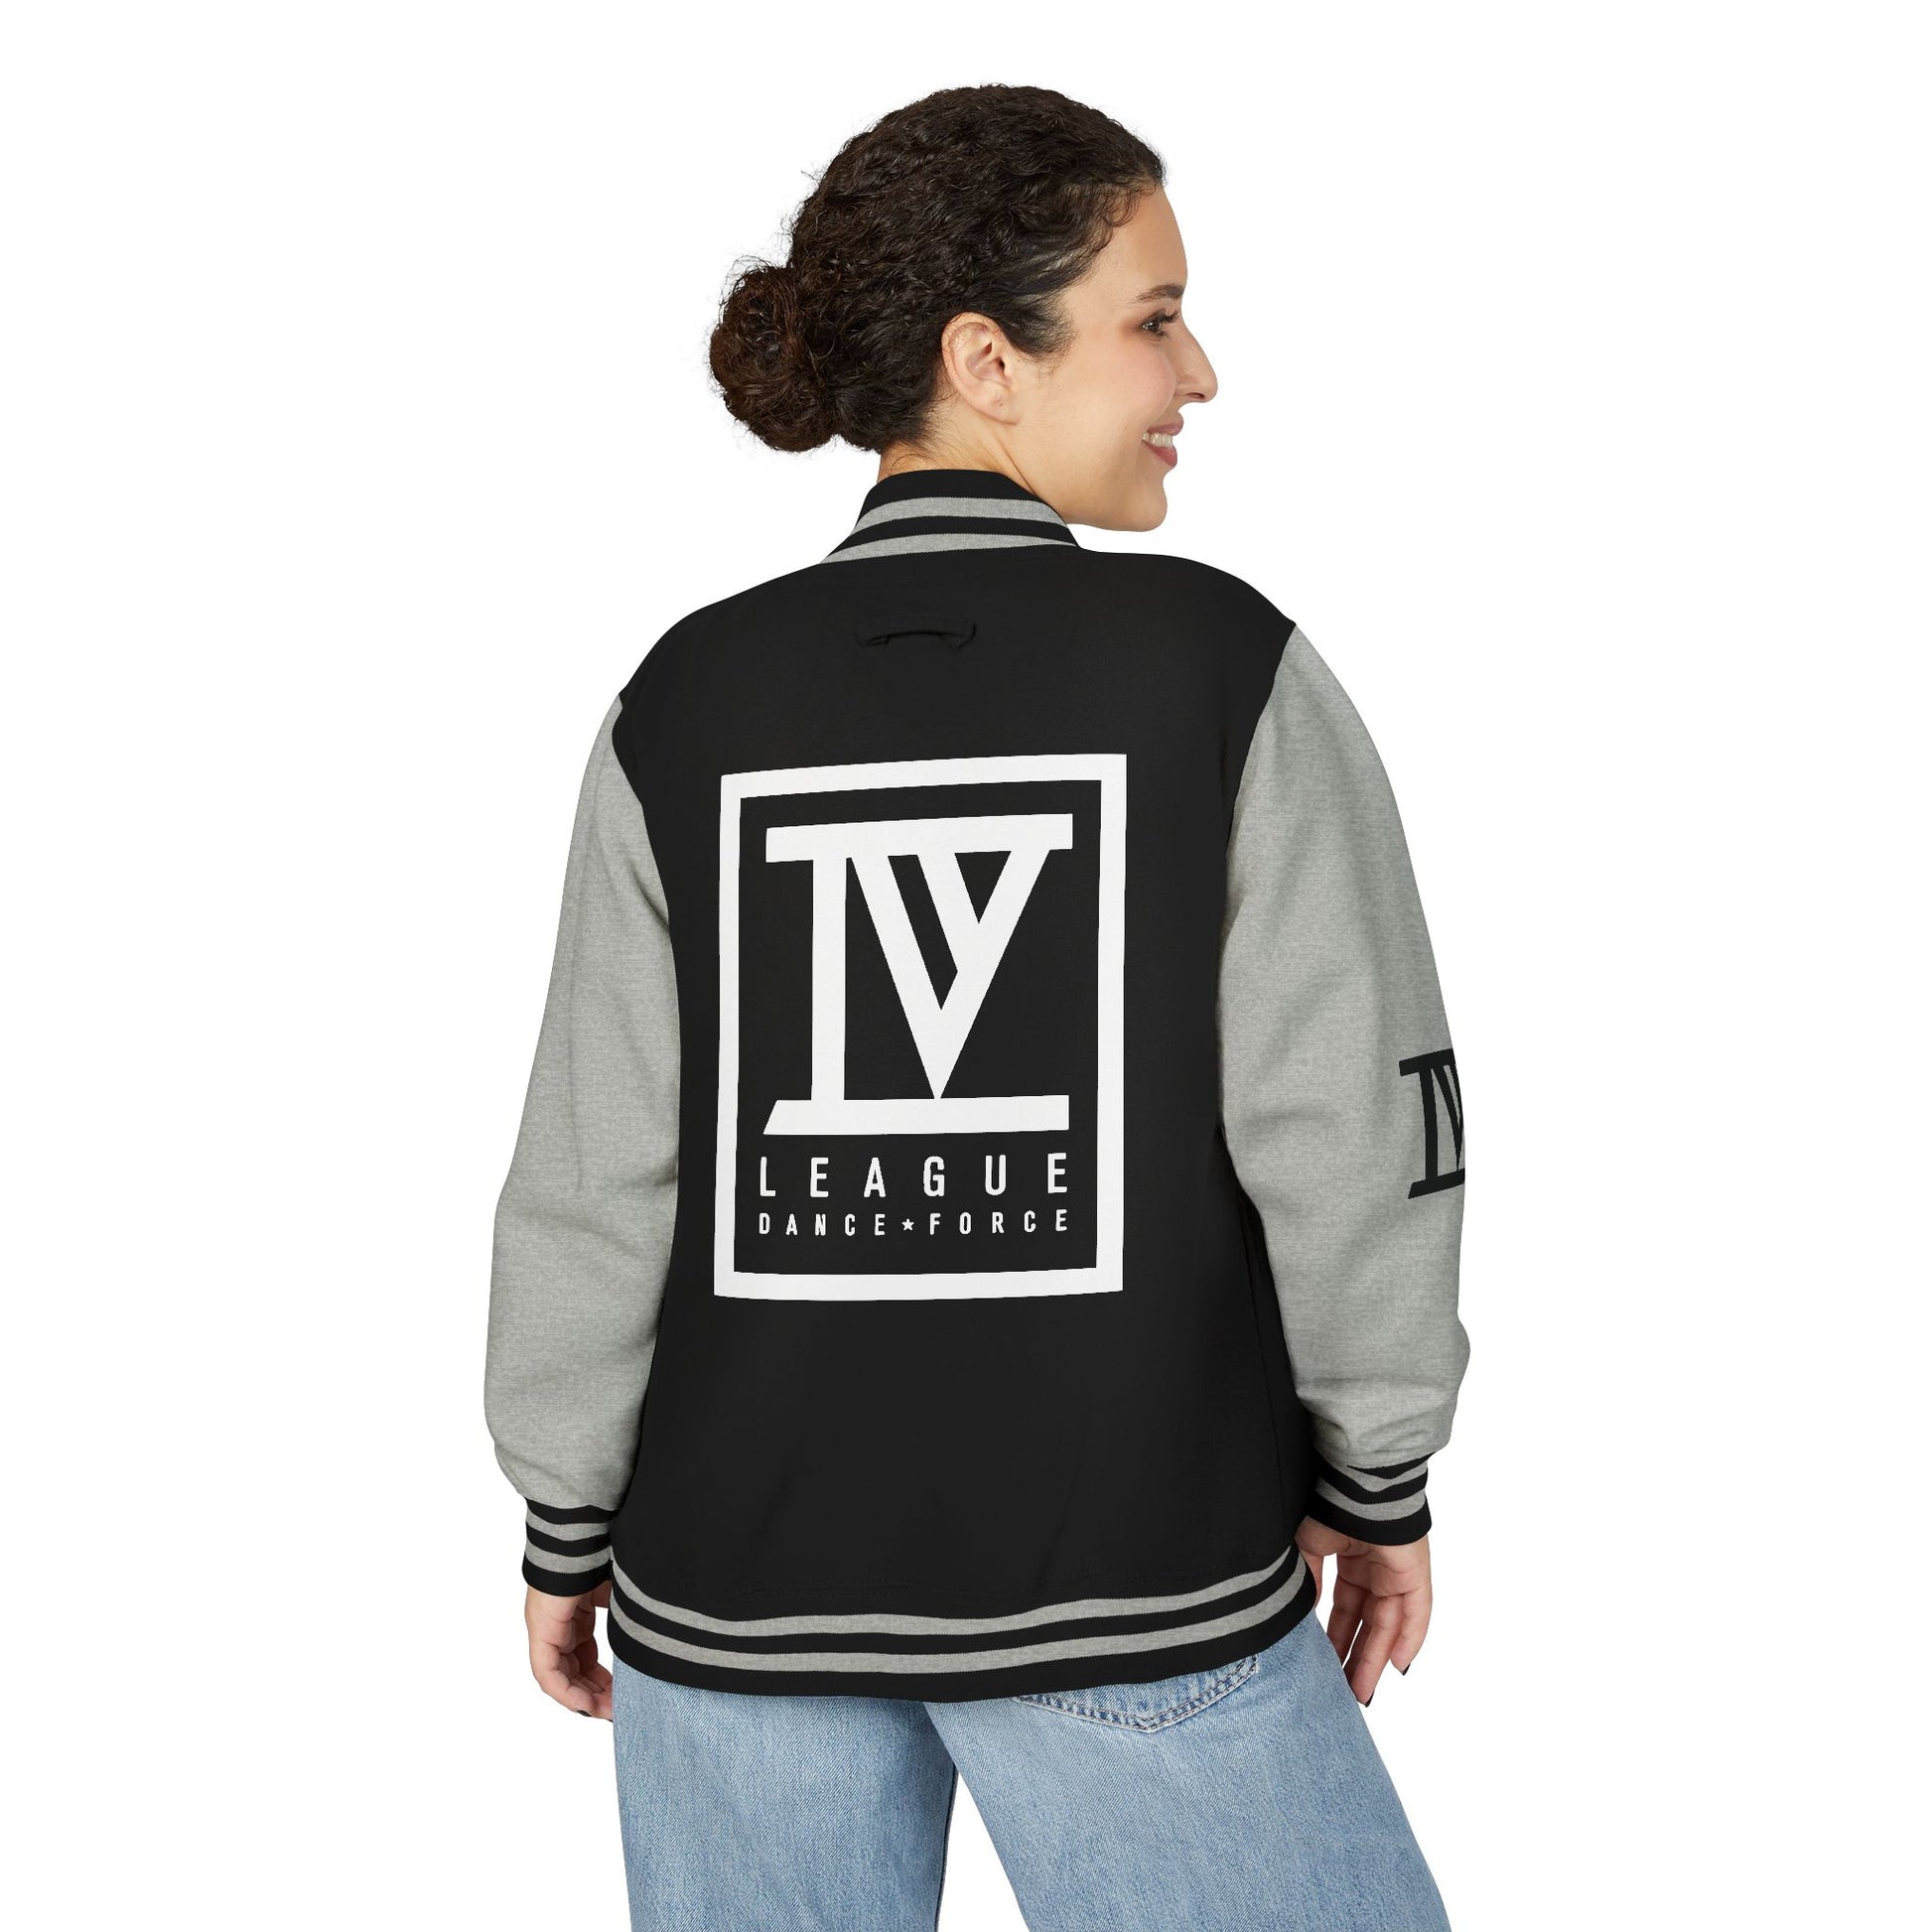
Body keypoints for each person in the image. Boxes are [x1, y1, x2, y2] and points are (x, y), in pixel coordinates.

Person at [483, 82, 1469, 1932]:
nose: (1198, 372)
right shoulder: (1221, 666)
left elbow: (597, 1166)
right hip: (1135, 1579)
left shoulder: (685, 698)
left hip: (730, 1611)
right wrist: (1379, 1468)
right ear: (983, 361)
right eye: (1153, 318)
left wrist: (563, 1512)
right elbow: (1348, 1124)